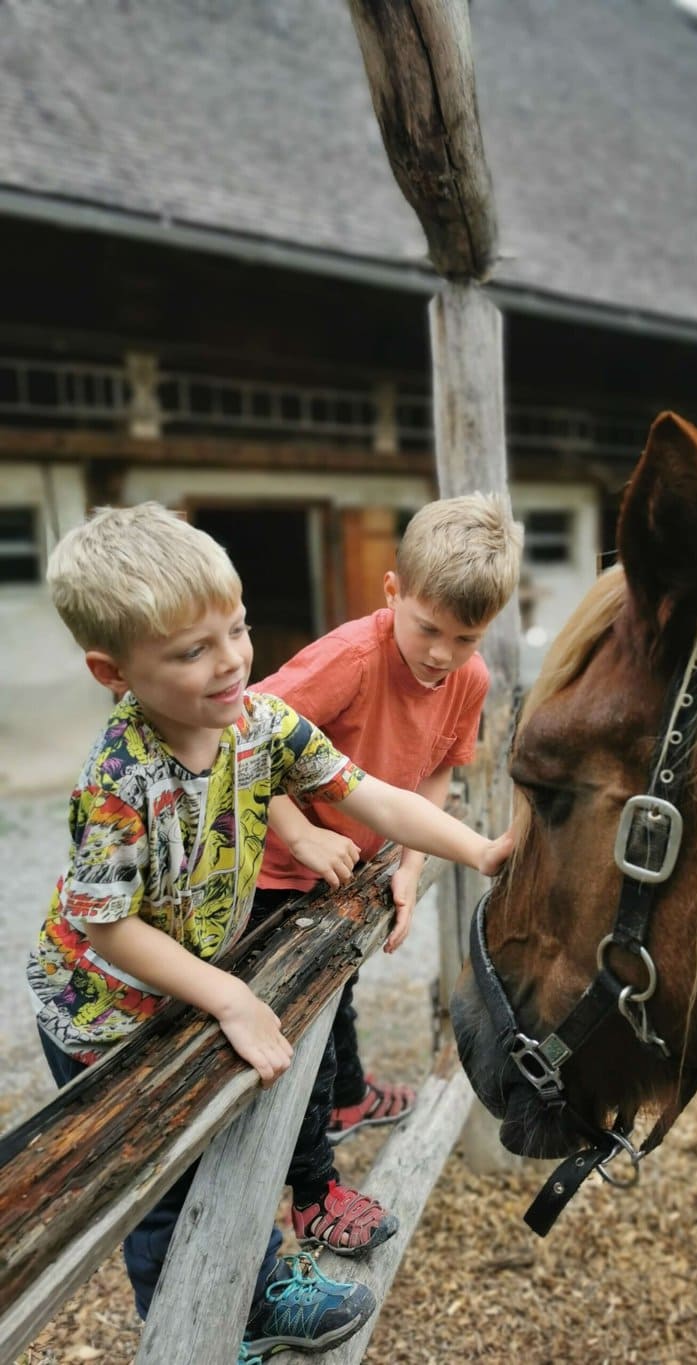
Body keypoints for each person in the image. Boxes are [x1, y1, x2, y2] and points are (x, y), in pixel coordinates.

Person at [26, 502, 512, 1361]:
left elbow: (376, 795)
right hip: (104, 1010)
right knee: (160, 1183)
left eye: (238, 630)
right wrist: (228, 994)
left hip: (194, 983)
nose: (231, 662)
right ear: (113, 669)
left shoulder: (256, 723)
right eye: (191, 650)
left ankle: (252, 1289)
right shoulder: (119, 775)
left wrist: (478, 848)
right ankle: (195, 1332)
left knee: (225, 1140)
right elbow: (105, 927)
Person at [253, 492, 522, 1256]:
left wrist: (408, 865)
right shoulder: (348, 660)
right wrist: (300, 832)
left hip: (351, 863)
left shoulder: (468, 681)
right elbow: (237, 740)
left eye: (464, 637)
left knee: (340, 981)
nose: (441, 652)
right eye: (427, 627)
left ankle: (346, 1095)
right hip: (276, 867)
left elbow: (435, 769)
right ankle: (312, 1190)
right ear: (393, 592)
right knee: (295, 1021)